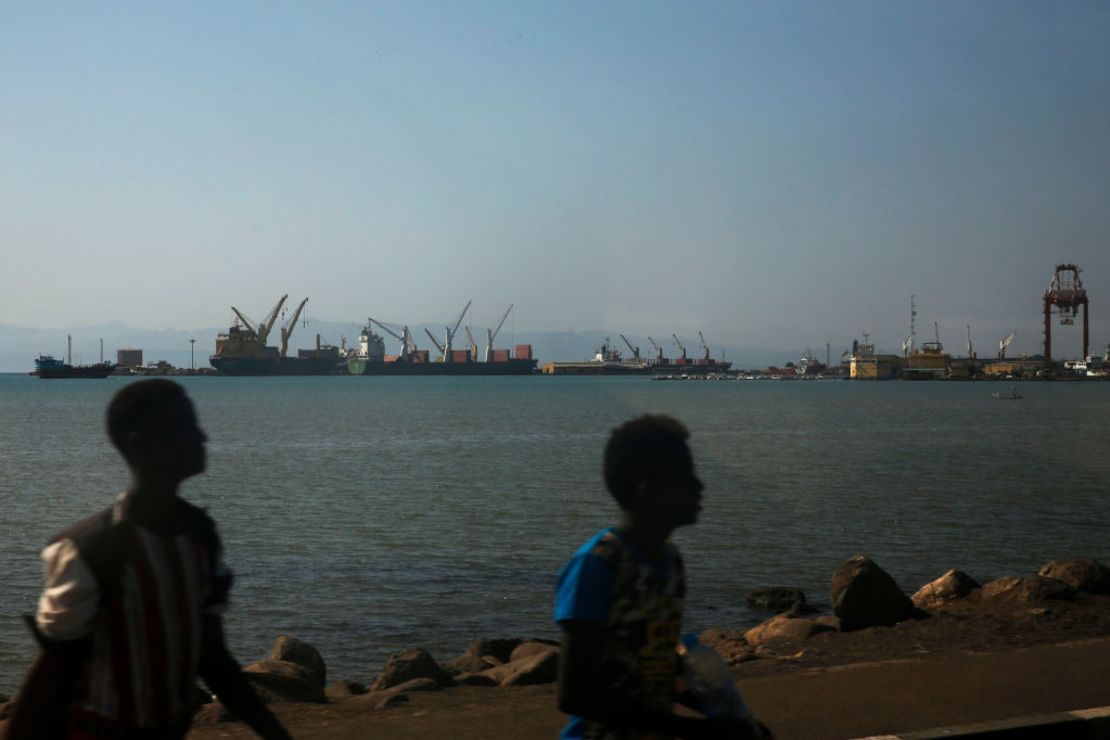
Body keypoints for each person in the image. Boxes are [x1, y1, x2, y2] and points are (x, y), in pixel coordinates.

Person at [5, 380, 291, 740]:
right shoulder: (91, 548)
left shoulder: (200, 535)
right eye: (183, 428)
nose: (201, 437)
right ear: (142, 445)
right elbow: (51, 676)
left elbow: (213, 658)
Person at [554, 414, 769, 739]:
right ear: (646, 490)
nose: (700, 485)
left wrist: (734, 722)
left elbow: (659, 665)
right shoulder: (597, 564)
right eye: (685, 476)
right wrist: (692, 730)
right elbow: (574, 696)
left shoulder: (670, 562)